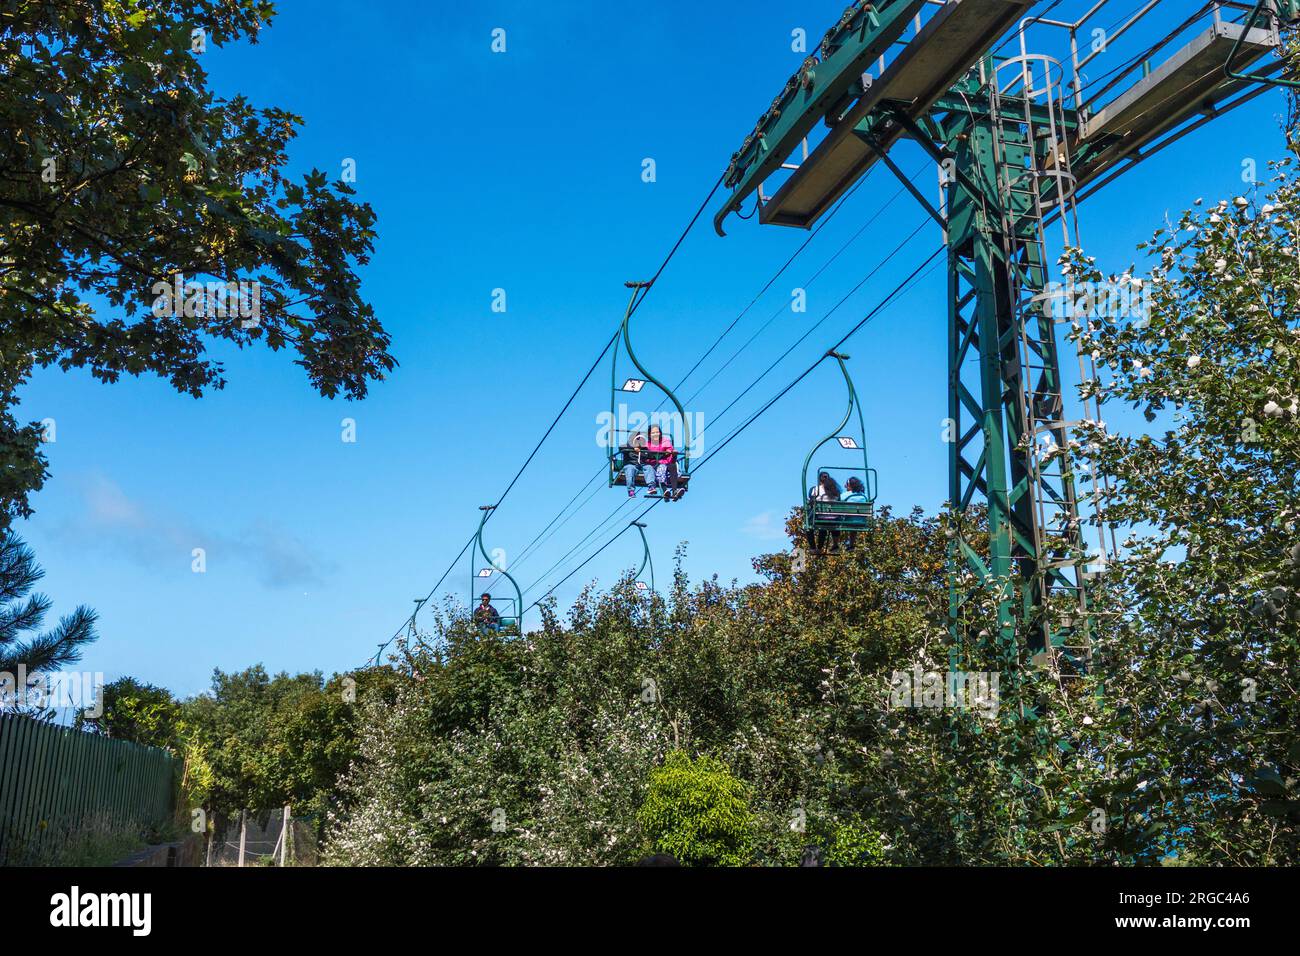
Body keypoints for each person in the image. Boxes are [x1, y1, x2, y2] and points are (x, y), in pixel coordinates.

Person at [805, 471, 842, 552]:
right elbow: (839, 504)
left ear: (819, 480)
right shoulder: (836, 491)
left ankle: (813, 547)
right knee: (831, 523)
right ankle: (830, 546)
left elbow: (811, 501)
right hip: (834, 519)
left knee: (808, 524)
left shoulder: (815, 489)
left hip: (821, 517)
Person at [647, 424, 682, 501]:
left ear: (660, 433)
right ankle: (665, 490)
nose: (655, 434)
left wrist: (671, 452)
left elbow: (669, 450)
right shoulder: (648, 444)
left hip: (666, 461)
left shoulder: (665, 441)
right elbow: (647, 456)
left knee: (673, 465)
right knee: (661, 468)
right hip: (655, 464)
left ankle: (674, 490)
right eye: (653, 433)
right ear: (649, 435)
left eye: (657, 432)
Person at [620, 431, 655, 497]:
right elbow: (621, 448)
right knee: (630, 470)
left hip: (642, 465)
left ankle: (651, 487)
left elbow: (651, 455)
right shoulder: (627, 446)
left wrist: (643, 452)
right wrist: (633, 447)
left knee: (649, 467)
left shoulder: (644, 449)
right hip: (631, 464)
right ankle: (631, 490)